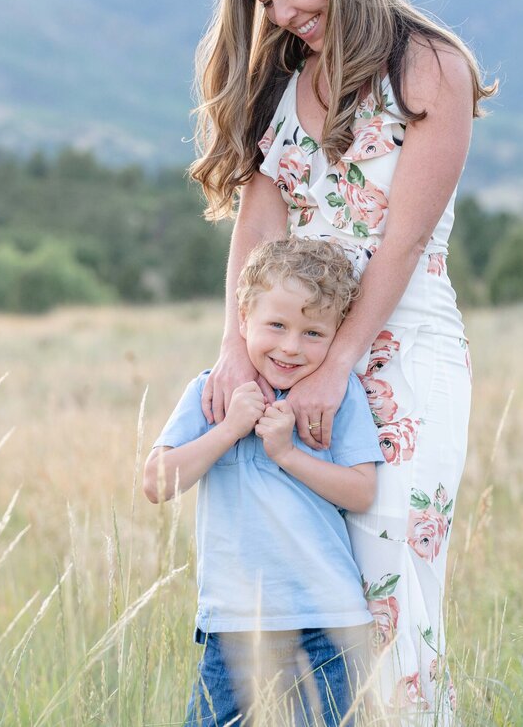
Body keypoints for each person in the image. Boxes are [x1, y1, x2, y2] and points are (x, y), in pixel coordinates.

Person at [189, 0, 496, 720]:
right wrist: (236, 352)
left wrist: (342, 364)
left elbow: (403, 240)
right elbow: (256, 232)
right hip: (297, 353)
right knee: (311, 588)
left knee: (394, 580)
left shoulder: (429, 66)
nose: (285, 14)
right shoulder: (281, 83)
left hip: (404, 354)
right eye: (265, 1)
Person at [145, 237, 383, 726]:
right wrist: (230, 429)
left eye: (314, 333)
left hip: (328, 622)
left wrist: (287, 454)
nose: (291, 347)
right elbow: (157, 483)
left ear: (337, 334)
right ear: (243, 318)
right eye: (276, 325)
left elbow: (361, 491)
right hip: (235, 624)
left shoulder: (338, 396)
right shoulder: (213, 392)